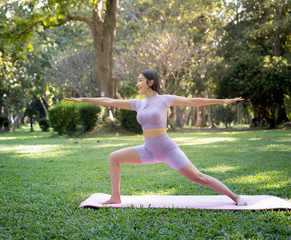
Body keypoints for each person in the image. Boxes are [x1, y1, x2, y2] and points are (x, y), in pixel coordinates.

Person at [65, 69, 247, 206]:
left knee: (199, 177)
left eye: (140, 80)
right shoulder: (138, 103)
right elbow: (110, 102)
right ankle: (115, 197)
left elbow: (193, 101)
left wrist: (222, 101)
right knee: (114, 157)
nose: (137, 84)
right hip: (148, 150)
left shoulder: (164, 99)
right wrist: (84, 99)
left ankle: (235, 197)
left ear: (150, 82)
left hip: (167, 149)